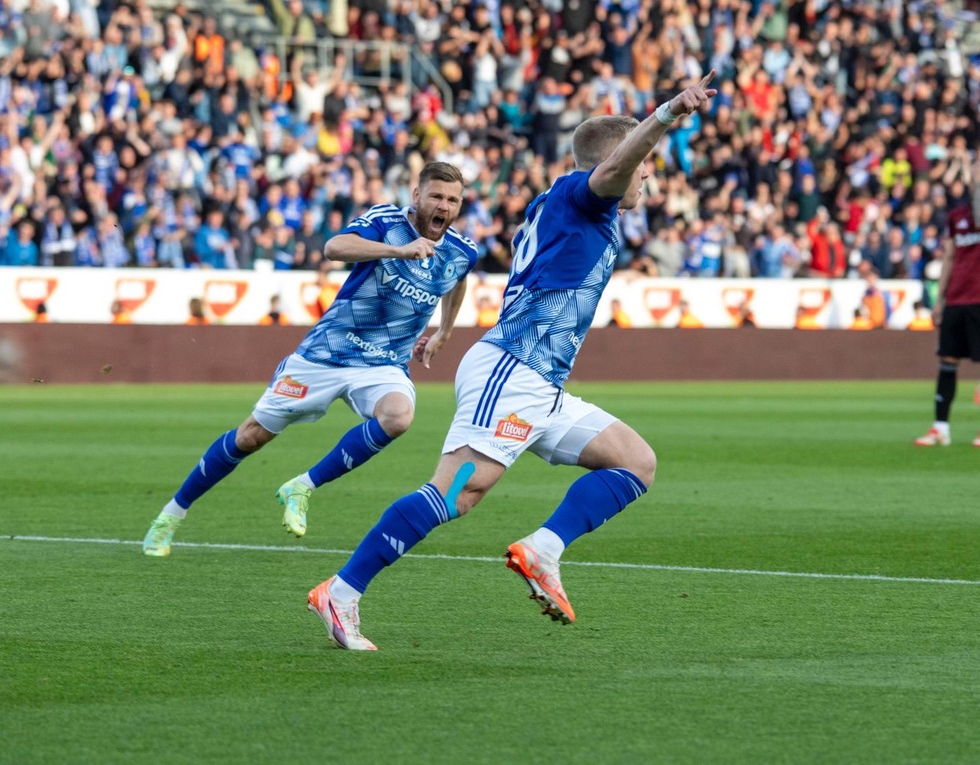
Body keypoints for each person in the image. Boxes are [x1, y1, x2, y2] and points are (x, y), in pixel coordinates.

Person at [304, 73, 719, 651]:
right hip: (512, 369)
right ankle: (342, 591)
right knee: (457, 492)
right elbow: (617, 167)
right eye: (644, 164)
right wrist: (666, 114)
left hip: (540, 381)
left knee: (634, 462)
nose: (648, 175)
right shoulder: (584, 195)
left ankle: (543, 549)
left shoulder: (572, 205)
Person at [143, 162, 478, 557]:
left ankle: (302, 486)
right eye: (436, 196)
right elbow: (334, 248)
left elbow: (458, 279)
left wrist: (444, 331)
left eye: (452, 200)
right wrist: (398, 251)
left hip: (383, 364)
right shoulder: (387, 222)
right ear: (417, 195)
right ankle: (171, 514)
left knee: (398, 416)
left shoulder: (462, 251)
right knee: (251, 436)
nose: (444, 206)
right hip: (327, 352)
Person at [914, 160, 980, 449]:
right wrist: (939, 299)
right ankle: (940, 427)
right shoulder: (957, 215)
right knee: (947, 362)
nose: (977, 180)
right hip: (957, 300)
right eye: (974, 177)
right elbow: (949, 257)